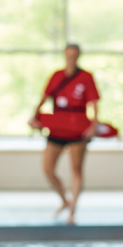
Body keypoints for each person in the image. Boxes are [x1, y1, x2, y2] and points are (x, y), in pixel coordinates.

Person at [29, 44, 99, 225]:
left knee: (76, 169)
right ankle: (64, 200)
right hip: (58, 126)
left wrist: (94, 124)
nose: (71, 59)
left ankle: (72, 212)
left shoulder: (86, 77)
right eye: (68, 55)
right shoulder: (57, 76)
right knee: (47, 168)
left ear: (79, 56)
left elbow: (94, 102)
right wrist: (35, 117)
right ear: (64, 56)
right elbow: (43, 98)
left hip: (78, 128)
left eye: (74, 55)